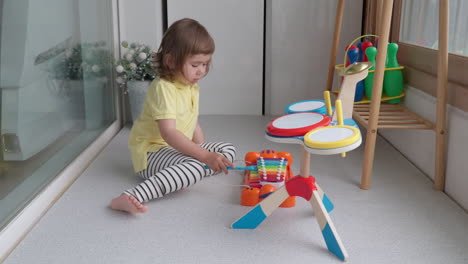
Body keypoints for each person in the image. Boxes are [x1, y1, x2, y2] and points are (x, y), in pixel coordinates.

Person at [111, 18, 236, 214]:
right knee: (196, 165)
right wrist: (202, 156)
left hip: (173, 150)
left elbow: (193, 123)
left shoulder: (190, 85)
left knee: (227, 150)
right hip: (151, 154)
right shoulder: (163, 88)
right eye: (195, 64)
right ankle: (130, 196)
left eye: (205, 64)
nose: (202, 70)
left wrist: (202, 151)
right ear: (170, 61)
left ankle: (180, 174)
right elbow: (168, 133)